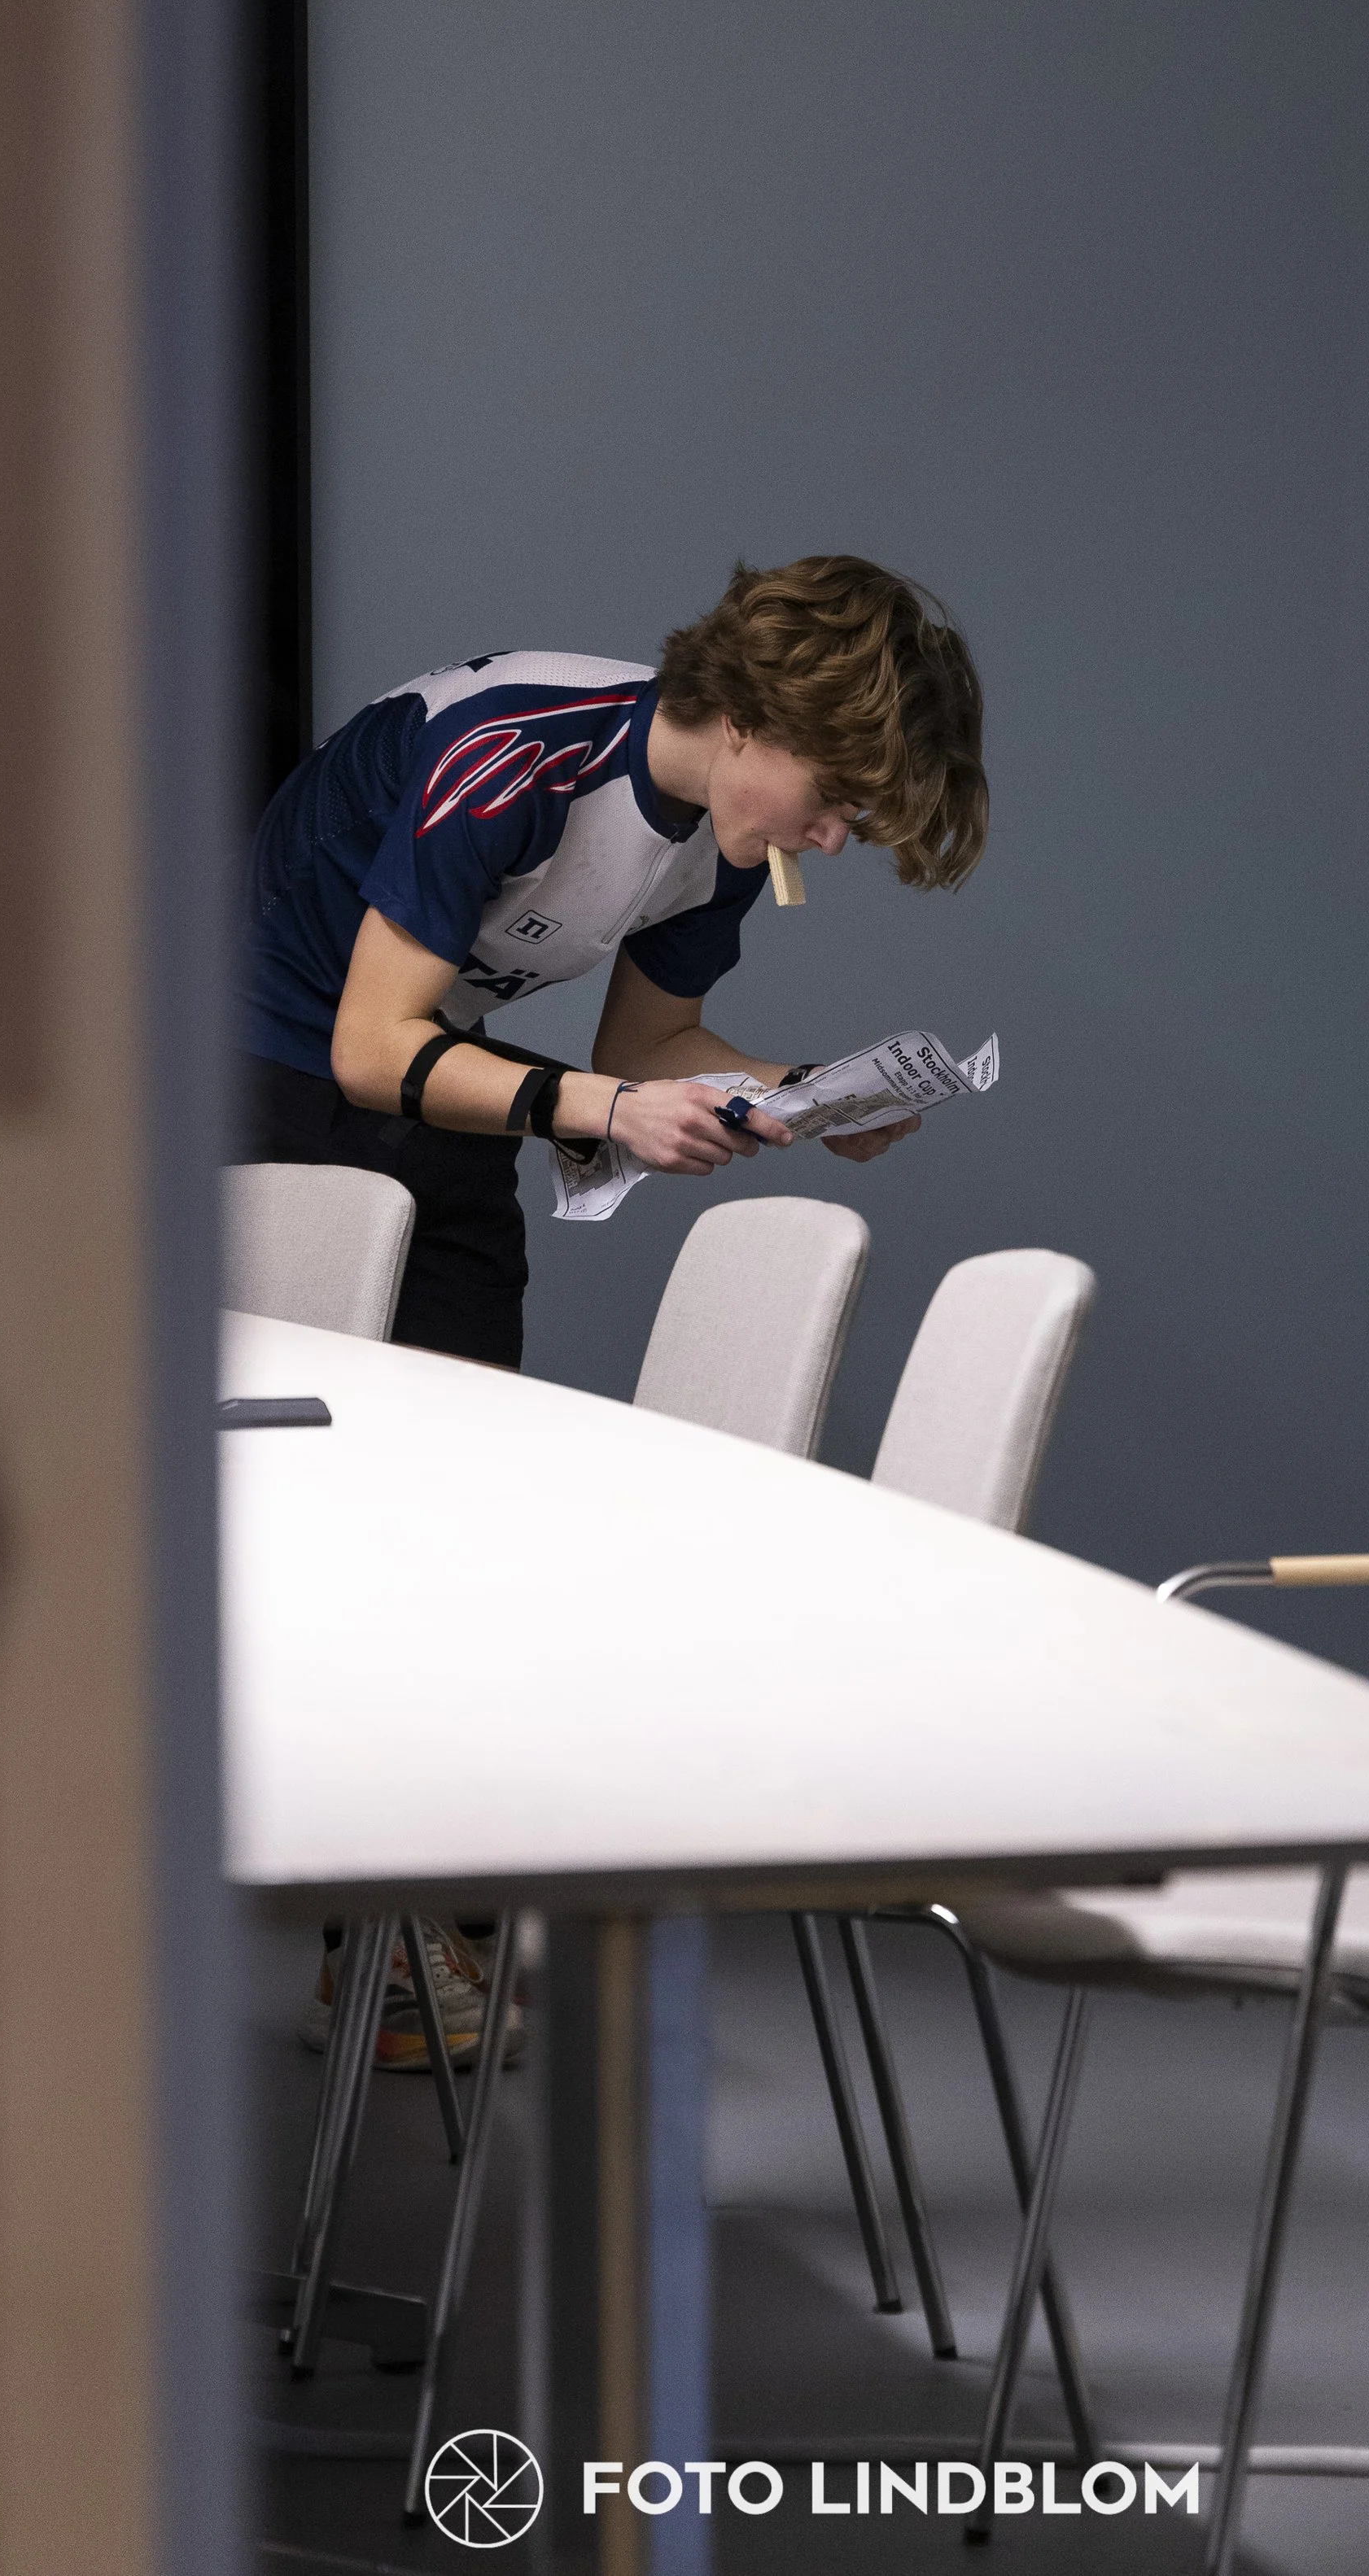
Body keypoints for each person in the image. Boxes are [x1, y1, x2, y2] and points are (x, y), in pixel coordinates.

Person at [238, 554, 987, 2064]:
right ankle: (370, 1932)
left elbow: (648, 1048)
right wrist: (598, 1107)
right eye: (836, 797)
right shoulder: (517, 755)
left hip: (433, 1075)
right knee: (324, 1524)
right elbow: (372, 1046)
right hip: (254, 1063)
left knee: (459, 1509)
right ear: (755, 716)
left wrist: (805, 1094)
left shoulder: (719, 845)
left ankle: (412, 1938)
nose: (833, 838)